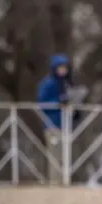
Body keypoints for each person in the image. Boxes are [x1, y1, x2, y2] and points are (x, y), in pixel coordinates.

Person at [36, 53, 78, 185]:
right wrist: (59, 101)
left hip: (65, 124)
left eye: (65, 67)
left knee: (65, 155)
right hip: (52, 124)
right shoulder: (48, 83)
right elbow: (42, 103)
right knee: (55, 155)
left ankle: (64, 181)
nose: (63, 70)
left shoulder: (66, 83)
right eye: (60, 67)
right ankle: (55, 182)